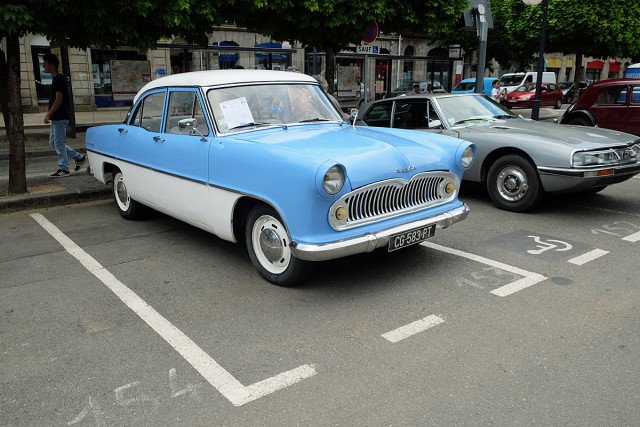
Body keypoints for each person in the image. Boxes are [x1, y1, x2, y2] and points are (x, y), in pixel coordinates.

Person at [42, 53, 86, 177]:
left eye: (45, 63)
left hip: (59, 116)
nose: (44, 66)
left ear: (51, 64)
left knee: (58, 143)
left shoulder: (58, 79)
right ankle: (79, 158)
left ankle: (64, 168)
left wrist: (48, 114)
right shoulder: (56, 79)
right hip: (57, 117)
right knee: (54, 142)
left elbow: (58, 100)